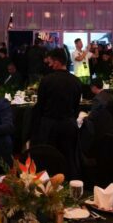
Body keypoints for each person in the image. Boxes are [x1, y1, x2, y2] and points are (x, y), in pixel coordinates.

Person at [31, 48, 82, 178]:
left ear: (57, 62)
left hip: (49, 126)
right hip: (69, 125)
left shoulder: (47, 80)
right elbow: (76, 107)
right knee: (68, 158)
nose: (50, 65)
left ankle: (49, 186)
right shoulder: (76, 81)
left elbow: (40, 106)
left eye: (51, 62)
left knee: (48, 159)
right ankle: (69, 184)